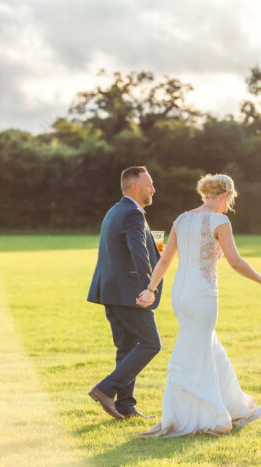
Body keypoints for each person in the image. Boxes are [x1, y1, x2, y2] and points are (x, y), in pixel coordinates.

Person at [135, 173, 261, 437]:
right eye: (229, 200)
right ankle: (209, 417)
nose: (228, 206)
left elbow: (164, 261)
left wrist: (151, 289)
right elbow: (235, 261)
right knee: (195, 350)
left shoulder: (181, 219)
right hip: (202, 295)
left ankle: (238, 407)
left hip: (181, 294)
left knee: (209, 346)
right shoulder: (220, 221)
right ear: (223, 196)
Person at [86, 166, 163, 420]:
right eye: (149, 184)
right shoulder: (132, 214)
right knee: (152, 343)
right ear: (135, 188)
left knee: (127, 347)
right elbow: (138, 253)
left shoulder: (116, 210)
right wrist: (148, 288)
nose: (153, 189)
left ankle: (125, 406)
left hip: (111, 292)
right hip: (130, 294)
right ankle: (105, 389)